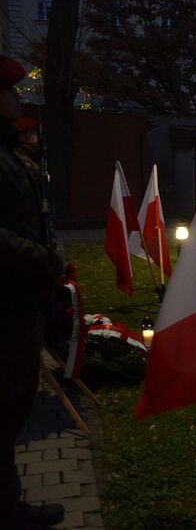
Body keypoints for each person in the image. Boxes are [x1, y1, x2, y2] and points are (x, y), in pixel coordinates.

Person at [0, 55, 66, 527]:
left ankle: (9, 504)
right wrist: (41, 258)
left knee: (10, 410)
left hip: (19, 301)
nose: (18, 98)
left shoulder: (9, 155)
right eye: (10, 92)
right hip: (5, 303)